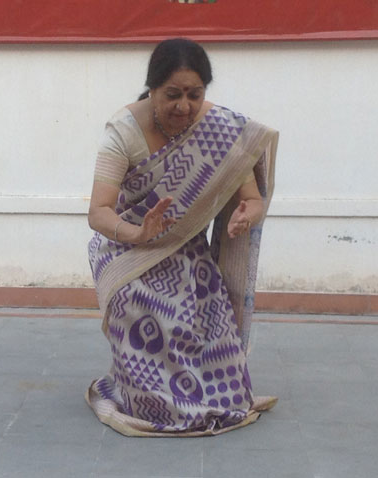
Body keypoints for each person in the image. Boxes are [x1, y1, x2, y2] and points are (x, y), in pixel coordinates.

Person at [86, 38, 279, 437]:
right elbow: (98, 212)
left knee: (207, 308)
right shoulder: (122, 132)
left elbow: (252, 198)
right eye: (172, 95)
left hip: (185, 248)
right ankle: (151, 400)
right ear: (152, 89)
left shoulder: (219, 129)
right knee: (139, 300)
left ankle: (212, 396)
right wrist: (139, 232)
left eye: (195, 94)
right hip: (125, 247)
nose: (184, 106)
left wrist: (248, 213)